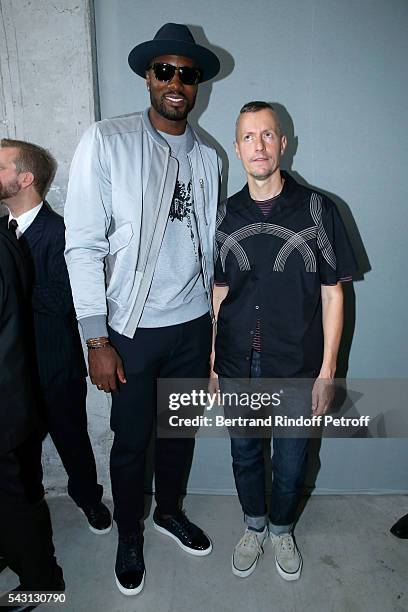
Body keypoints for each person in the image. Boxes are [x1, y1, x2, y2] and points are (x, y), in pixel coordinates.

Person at [64, 23, 221, 596]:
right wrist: (96, 339)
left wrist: (210, 336)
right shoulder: (107, 140)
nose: (176, 82)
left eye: (187, 73)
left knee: (178, 432)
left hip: (190, 325)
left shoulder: (209, 156)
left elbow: (208, 247)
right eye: (165, 71)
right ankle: (129, 532)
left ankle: (168, 512)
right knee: (131, 442)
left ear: (197, 84)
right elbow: (82, 244)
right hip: (130, 330)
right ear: (148, 77)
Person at [212, 101, 357, 581]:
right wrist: (214, 362)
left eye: (267, 135)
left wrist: (328, 370)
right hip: (237, 363)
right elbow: (220, 291)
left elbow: (334, 293)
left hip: (297, 364)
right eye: (248, 137)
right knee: (244, 453)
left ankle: (281, 528)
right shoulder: (227, 215)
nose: (258, 145)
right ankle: (254, 525)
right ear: (237, 147)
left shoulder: (318, 210)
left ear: (283, 143)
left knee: (293, 461)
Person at [0, 139, 111, 535]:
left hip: (54, 364)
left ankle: (89, 499)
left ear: (25, 178)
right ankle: (26, 511)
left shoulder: (61, 232)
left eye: (1, 167)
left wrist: (12, 286)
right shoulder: (1, 231)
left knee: (71, 439)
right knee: (20, 450)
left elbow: (62, 300)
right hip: (13, 372)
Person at [0, 222, 64, 609]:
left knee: (13, 499)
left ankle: (43, 582)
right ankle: (11, 551)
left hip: (5, 402)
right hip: (10, 394)